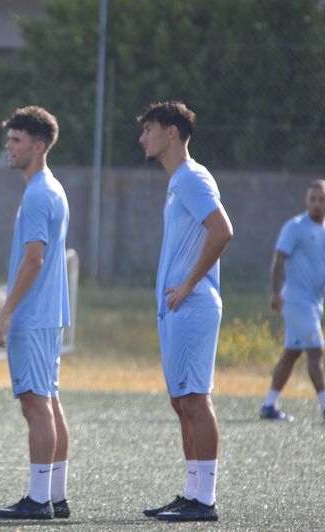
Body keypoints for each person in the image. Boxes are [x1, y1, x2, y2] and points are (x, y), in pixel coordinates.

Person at [137, 101, 233, 522]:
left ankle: (205, 500)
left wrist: (190, 282)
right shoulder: (179, 181)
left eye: (149, 129)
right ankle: (192, 493)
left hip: (193, 305)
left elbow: (223, 230)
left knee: (195, 399)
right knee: (182, 403)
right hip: (177, 308)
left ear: (171, 132)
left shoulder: (192, 177)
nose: (142, 138)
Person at [0, 106, 71, 521]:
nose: (9, 146)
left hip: (33, 317)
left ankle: (40, 501)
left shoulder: (39, 193)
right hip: (47, 316)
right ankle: (56, 496)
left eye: (16, 140)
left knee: (36, 406)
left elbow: (33, 260)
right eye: (9, 139)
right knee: (48, 402)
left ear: (38, 146)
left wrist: (5, 315)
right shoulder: (50, 188)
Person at [259, 179, 325, 423]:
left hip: (313, 304)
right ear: (306, 201)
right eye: (313, 199)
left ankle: (269, 404)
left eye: (322, 199)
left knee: (292, 354)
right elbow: (278, 261)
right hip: (296, 302)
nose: (317, 204)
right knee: (316, 351)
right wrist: (276, 293)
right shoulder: (296, 227)